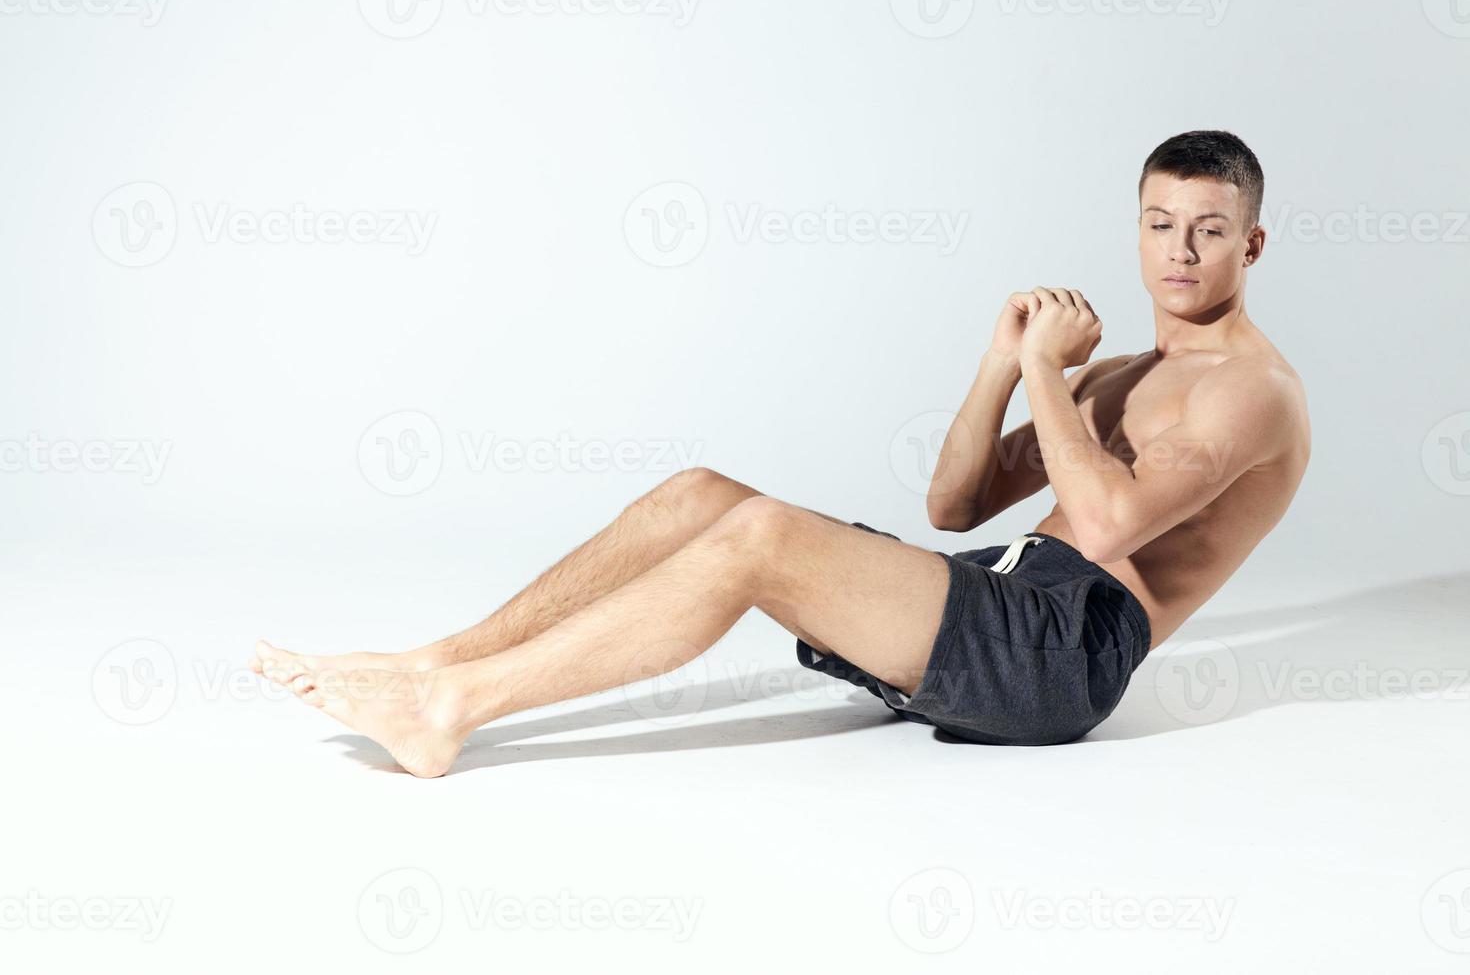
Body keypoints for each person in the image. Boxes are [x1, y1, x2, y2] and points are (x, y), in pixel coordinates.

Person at [252, 128, 1310, 776]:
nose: (1178, 249)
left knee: (758, 538)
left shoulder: (1253, 392)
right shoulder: (1118, 373)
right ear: (1135, 228)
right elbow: (954, 503)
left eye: (1208, 229)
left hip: (1061, 658)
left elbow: (1117, 523)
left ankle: (449, 715)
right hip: (994, 597)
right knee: (699, 494)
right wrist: (1000, 363)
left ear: (1252, 243)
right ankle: (441, 660)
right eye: (1159, 221)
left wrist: (1044, 371)